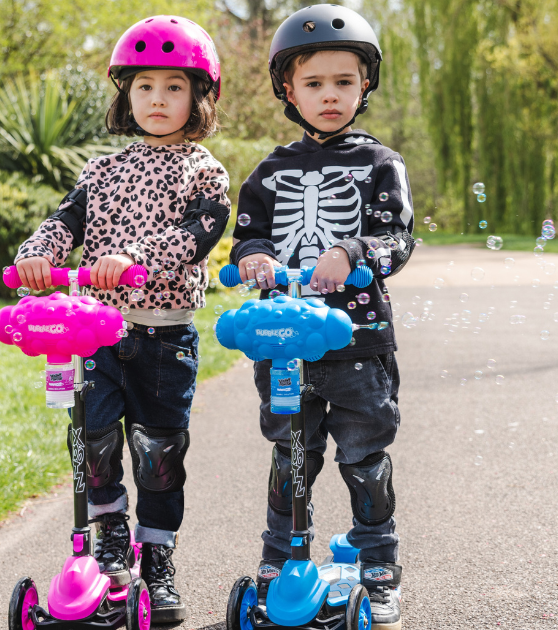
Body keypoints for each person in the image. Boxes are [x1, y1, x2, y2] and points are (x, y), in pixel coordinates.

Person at [13, 15, 230, 624]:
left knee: (159, 451)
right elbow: (64, 222)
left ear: (198, 97)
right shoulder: (101, 172)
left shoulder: (204, 169)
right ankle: (109, 539)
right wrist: (38, 254)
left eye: (172, 87)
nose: (157, 100)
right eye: (143, 87)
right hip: (97, 334)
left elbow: (197, 234)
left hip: (164, 334)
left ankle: (157, 559)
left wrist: (135, 256)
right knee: (95, 440)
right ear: (125, 96)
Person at [228, 5, 414, 629]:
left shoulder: (380, 165)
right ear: (289, 90)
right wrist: (253, 259)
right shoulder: (269, 171)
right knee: (290, 456)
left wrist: (351, 250)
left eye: (343, 81)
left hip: (358, 345)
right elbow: (247, 237)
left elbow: (397, 239)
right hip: (284, 343)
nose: (329, 95)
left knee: (364, 455)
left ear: (365, 86)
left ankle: (377, 564)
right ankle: (281, 561)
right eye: (314, 83)